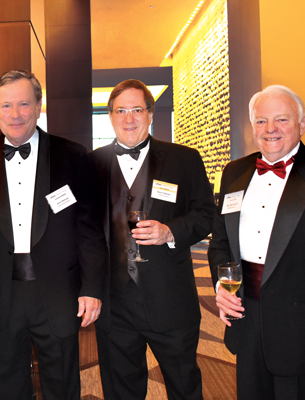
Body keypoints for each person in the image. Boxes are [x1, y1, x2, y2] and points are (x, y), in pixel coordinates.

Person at [208, 85, 305, 399]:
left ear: (302, 124)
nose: (270, 129)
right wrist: (222, 287)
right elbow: (221, 243)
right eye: (260, 121)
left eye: (281, 120)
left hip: (303, 333)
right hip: (246, 323)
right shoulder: (235, 172)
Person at [0, 70, 106, 400]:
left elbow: (89, 229)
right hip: (2, 294)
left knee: (62, 384)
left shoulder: (72, 156)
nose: (15, 114)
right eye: (6, 106)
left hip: (58, 293)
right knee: (8, 384)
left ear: (39, 106)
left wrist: (91, 287)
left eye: (24, 104)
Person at [87, 79, 213, 400]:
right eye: (121, 111)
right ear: (111, 116)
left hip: (170, 300)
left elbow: (205, 215)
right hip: (115, 305)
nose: (129, 118)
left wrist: (170, 231)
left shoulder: (184, 159)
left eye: (137, 110)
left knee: (184, 388)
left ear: (151, 113)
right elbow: (82, 230)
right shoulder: (92, 165)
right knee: (121, 392)